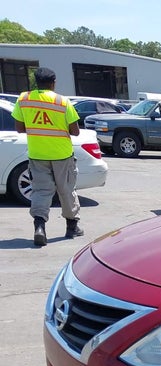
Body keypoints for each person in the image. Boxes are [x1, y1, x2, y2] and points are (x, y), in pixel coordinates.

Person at [11, 67, 83, 246]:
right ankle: (71, 227)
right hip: (62, 154)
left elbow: (19, 128)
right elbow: (75, 131)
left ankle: (40, 227)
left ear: (36, 82)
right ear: (54, 83)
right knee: (66, 190)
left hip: (37, 154)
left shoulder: (24, 99)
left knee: (40, 191)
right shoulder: (62, 102)